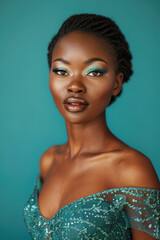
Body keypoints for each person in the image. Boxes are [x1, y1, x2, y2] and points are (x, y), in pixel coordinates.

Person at [23, 13, 160, 239]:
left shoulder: (132, 169)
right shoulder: (49, 160)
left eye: (94, 72)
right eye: (61, 71)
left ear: (116, 84)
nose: (75, 86)